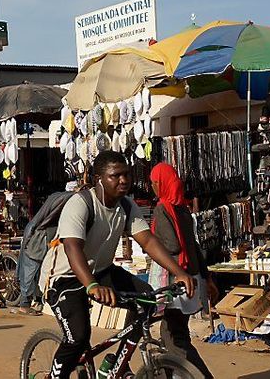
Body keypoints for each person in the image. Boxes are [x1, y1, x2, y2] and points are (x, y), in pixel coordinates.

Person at [40, 151, 195, 379]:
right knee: (78, 337)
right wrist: (92, 286)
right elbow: (73, 248)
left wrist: (179, 272)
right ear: (98, 179)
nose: (124, 180)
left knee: (147, 299)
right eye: (115, 176)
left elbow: (148, 241)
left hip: (100, 272)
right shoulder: (80, 204)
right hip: (64, 278)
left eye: (126, 175)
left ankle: (116, 364)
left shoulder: (127, 206)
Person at [148, 162, 217, 378]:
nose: (152, 187)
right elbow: (194, 246)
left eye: (153, 183)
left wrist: (151, 243)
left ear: (160, 184)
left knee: (174, 336)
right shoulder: (182, 208)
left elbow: (171, 246)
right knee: (173, 331)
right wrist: (207, 278)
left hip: (176, 279)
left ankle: (200, 375)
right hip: (191, 277)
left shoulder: (162, 208)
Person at [12, 182, 81, 316]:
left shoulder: (59, 198)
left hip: (44, 238)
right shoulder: (67, 199)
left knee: (40, 270)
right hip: (38, 239)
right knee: (30, 271)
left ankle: (37, 300)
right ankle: (25, 304)